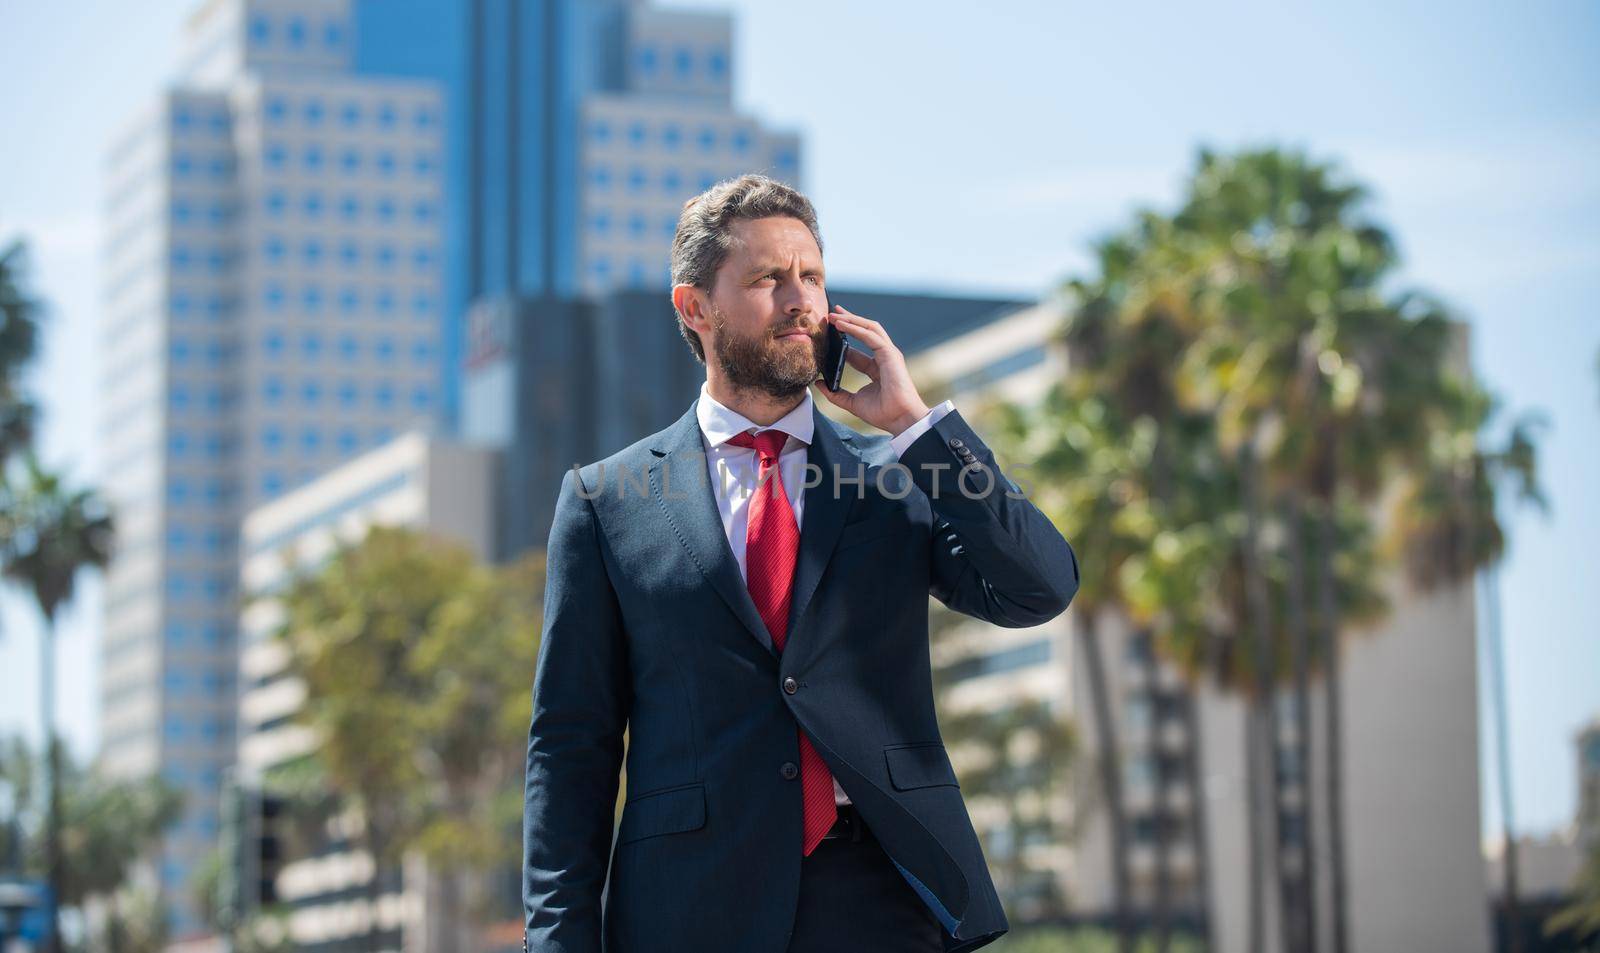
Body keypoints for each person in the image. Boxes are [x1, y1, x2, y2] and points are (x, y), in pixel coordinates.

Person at [522, 173, 1079, 953]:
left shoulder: (898, 476)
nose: (799, 300)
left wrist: (917, 427)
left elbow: (1039, 587)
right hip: (688, 904)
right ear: (695, 308)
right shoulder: (605, 500)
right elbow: (570, 745)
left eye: (811, 275)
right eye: (767, 278)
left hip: (882, 898)